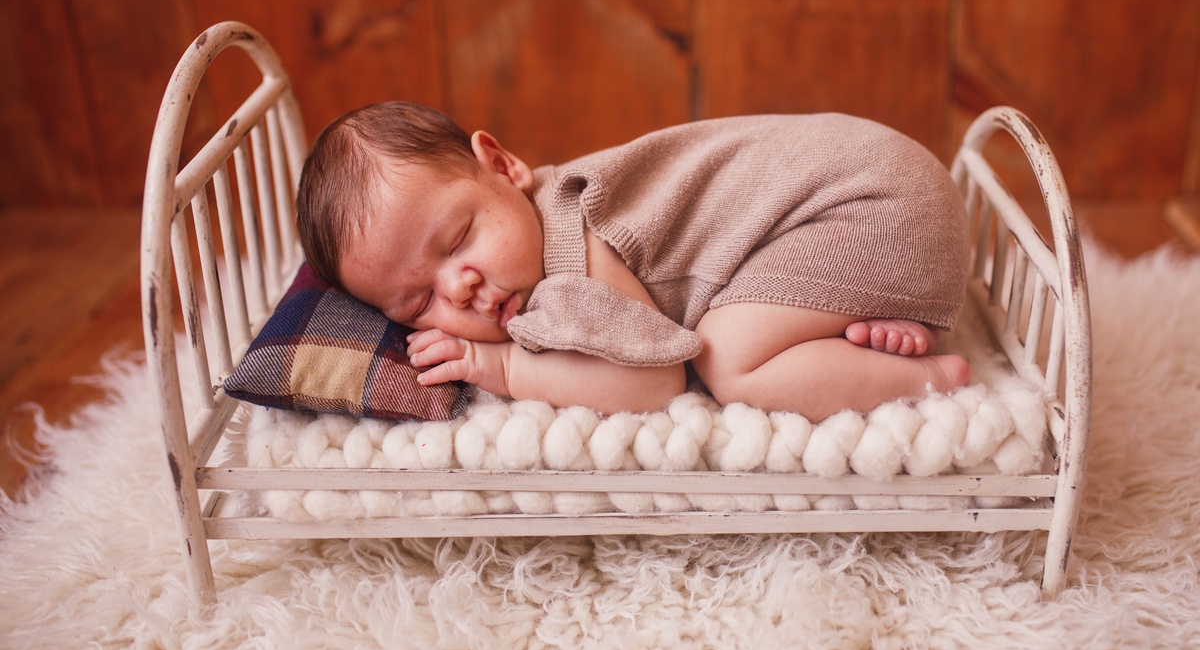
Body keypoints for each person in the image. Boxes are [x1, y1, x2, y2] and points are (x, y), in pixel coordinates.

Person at [297, 101, 972, 422]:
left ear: (503, 167)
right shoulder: (542, 210)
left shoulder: (573, 266)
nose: (462, 287)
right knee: (743, 318)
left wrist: (498, 365)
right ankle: (866, 318)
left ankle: (928, 379)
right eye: (420, 302)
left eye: (457, 241)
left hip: (873, 206)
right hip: (887, 184)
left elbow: (656, 384)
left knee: (729, 363)